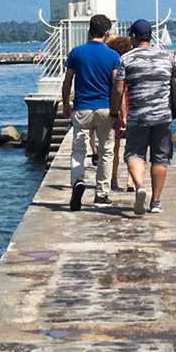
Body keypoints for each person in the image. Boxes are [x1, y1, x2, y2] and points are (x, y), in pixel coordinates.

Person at [111, 17, 176, 215]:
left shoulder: (126, 59)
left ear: (133, 36)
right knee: (160, 158)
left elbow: (119, 89)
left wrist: (115, 114)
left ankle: (140, 186)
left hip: (138, 116)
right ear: (151, 36)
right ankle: (155, 202)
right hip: (163, 116)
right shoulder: (168, 56)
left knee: (134, 154)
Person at [59, 13, 120, 210]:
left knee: (78, 149)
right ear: (106, 32)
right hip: (104, 107)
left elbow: (67, 80)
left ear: (89, 30)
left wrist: (66, 103)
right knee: (106, 151)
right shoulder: (112, 55)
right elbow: (115, 85)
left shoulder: (76, 53)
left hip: (82, 107)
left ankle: (78, 180)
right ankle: (102, 194)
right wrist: (118, 111)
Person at [104, 33, 133, 189]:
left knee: (113, 148)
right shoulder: (131, 65)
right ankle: (130, 179)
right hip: (132, 109)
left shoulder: (113, 68)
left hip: (115, 108)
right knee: (132, 147)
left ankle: (113, 180)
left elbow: (117, 91)